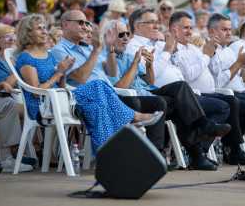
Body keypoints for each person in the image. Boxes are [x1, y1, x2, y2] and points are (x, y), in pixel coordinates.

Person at [16, 14, 162, 153]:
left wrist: (63, 74)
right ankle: (134, 116)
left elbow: (61, 86)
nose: (44, 31)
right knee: (98, 85)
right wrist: (59, 73)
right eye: (39, 28)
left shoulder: (48, 55)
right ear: (27, 33)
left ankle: (106, 153)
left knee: (98, 107)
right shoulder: (26, 58)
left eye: (44, 27)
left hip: (63, 99)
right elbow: (35, 93)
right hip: (45, 107)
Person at [124, 8, 232, 170]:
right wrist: (167, 51)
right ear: (137, 26)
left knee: (183, 104)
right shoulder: (133, 46)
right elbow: (148, 77)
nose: (157, 26)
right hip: (149, 91)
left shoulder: (159, 43)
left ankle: (196, 156)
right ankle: (201, 132)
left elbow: (176, 69)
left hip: (173, 92)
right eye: (151, 23)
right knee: (181, 91)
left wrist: (169, 49)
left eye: (157, 22)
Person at [169, 11, 245, 165]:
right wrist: (207, 55)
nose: (190, 31)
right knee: (229, 104)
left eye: (191, 27)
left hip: (213, 91)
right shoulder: (177, 49)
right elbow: (190, 75)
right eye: (185, 28)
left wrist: (244, 65)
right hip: (196, 94)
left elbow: (230, 76)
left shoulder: (195, 47)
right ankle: (205, 150)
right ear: (174, 30)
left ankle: (223, 149)